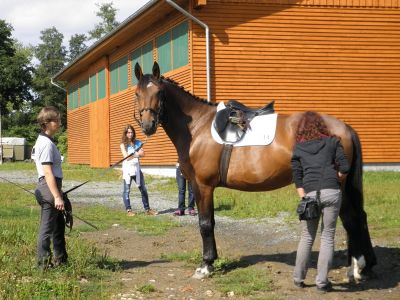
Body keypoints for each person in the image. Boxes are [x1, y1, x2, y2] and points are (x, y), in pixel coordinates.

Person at [291, 111, 350, 293]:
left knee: (307, 237)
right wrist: (337, 178)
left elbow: (297, 177)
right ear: (322, 126)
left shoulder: (298, 149)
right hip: (332, 192)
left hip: (309, 195)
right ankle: (322, 283)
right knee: (327, 236)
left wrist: (304, 197)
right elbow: (345, 168)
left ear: (302, 129)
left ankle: (298, 279)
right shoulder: (333, 142)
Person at [33, 106, 67, 270]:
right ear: (47, 123)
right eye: (57, 120)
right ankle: (43, 265)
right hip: (49, 187)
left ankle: (61, 259)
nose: (60, 123)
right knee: (47, 228)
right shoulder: (46, 143)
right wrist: (57, 196)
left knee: (58, 224)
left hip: (50, 187)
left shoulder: (45, 140)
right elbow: (47, 172)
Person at [120, 124, 157, 216]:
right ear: (125, 133)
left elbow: (143, 153)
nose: (130, 134)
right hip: (127, 170)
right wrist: (137, 154)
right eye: (128, 132)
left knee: (143, 189)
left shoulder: (138, 142)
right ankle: (129, 210)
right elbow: (126, 157)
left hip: (137, 169)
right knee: (127, 190)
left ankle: (147, 209)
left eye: (132, 132)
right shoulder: (123, 145)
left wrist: (135, 154)